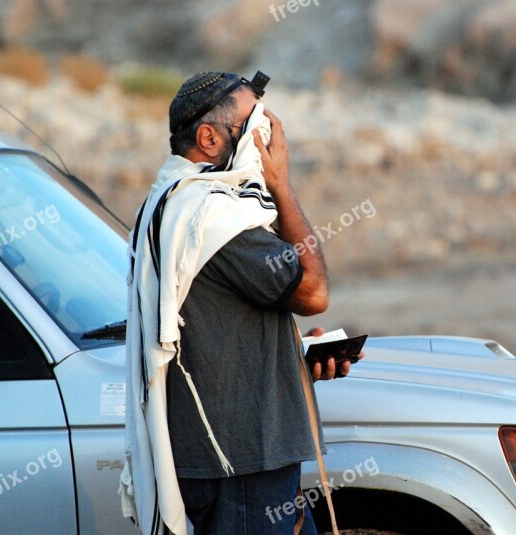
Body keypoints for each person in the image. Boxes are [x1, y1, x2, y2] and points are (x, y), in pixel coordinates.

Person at [119, 71, 356, 535]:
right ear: (209, 138)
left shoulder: (174, 204)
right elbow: (314, 293)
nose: (266, 143)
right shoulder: (215, 217)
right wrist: (282, 186)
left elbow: (212, 332)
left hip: (239, 462)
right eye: (255, 128)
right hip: (242, 467)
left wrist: (295, 358)